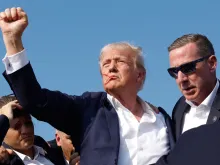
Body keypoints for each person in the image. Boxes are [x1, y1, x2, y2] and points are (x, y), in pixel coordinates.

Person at [0, 7, 174, 165]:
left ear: (140, 75)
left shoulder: (163, 119)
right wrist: (13, 40)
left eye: (120, 61)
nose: (111, 67)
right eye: (105, 64)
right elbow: (36, 100)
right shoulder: (88, 109)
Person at [167, 34, 219, 140]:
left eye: (188, 68)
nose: (181, 79)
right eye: (174, 72)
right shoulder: (179, 109)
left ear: (211, 63)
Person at [0, 95, 67, 165]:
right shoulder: (5, 161)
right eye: (17, 126)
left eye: (28, 123)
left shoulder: (51, 151)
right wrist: (4, 118)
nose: (26, 130)